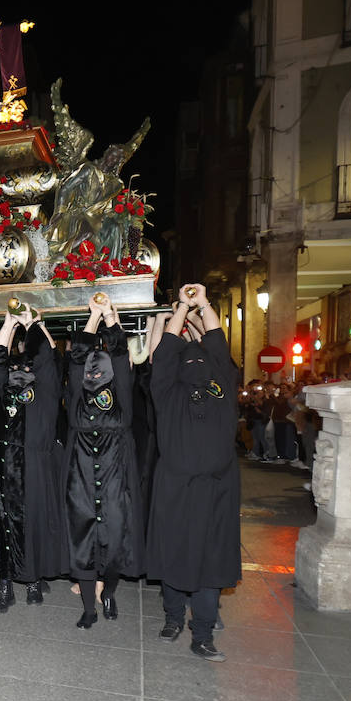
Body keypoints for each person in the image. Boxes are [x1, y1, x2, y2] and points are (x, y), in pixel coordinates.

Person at [145, 284, 240, 663]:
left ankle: (202, 633)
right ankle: (172, 619)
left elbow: (217, 343)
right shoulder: (166, 391)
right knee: (173, 554)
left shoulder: (223, 387)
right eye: (189, 361)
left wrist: (203, 304)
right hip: (176, 488)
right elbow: (165, 353)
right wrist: (181, 309)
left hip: (218, 489)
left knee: (211, 561)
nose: (196, 364)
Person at [66, 294, 143, 626]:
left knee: (114, 534)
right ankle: (88, 608)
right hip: (80, 472)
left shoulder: (121, 395)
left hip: (115, 470)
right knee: (83, 538)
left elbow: (123, 356)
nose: (94, 376)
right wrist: (93, 318)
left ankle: (108, 592)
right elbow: (75, 358)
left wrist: (111, 318)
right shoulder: (76, 399)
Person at [0, 307, 65, 612]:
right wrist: (9, 322)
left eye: (26, 368)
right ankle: (4, 584)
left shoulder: (45, 392)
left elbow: (47, 359)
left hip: (33, 467)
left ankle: (32, 578)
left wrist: (34, 324)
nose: (21, 372)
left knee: (33, 524)